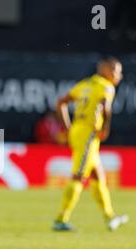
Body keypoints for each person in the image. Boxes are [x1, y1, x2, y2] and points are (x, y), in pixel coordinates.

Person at [52, 57, 128, 232]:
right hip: (88, 133)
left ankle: (110, 217)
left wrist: (67, 128)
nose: (119, 75)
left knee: (97, 176)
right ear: (106, 70)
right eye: (117, 71)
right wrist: (104, 128)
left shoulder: (85, 84)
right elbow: (105, 107)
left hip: (78, 129)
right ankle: (60, 219)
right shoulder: (106, 87)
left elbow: (61, 103)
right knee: (78, 176)